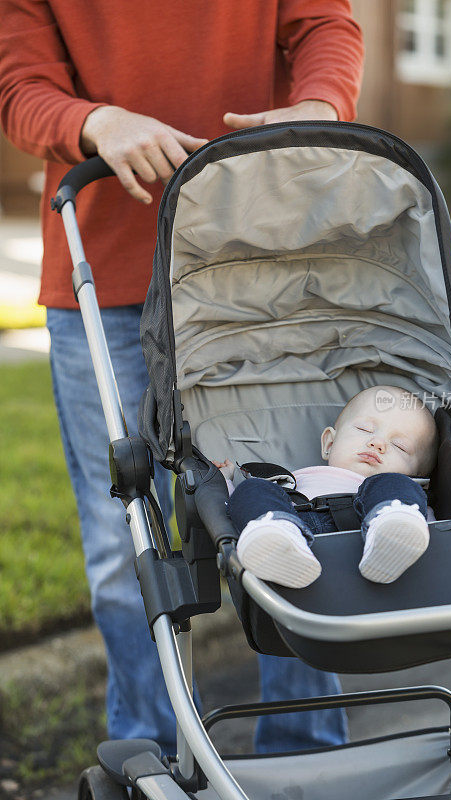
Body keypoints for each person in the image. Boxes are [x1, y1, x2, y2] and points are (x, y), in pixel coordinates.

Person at [0, 0, 364, 754]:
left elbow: (324, 23)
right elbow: (19, 86)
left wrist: (316, 107)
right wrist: (97, 122)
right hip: (107, 271)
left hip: (259, 269)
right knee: (121, 544)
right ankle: (155, 749)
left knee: (293, 512)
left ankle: (305, 751)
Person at [215, 386, 438, 587]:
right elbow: (232, 507)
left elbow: (432, 527)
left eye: (399, 446)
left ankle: (394, 532)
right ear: (329, 444)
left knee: (394, 487)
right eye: (364, 429)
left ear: (419, 478)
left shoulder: (398, 485)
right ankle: (276, 542)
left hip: (374, 526)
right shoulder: (290, 480)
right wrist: (221, 480)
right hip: (295, 525)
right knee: (253, 489)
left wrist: (409, 512)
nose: (377, 443)